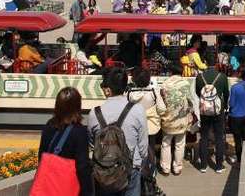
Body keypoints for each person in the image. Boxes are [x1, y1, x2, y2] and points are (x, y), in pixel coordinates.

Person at [87, 68, 148, 196]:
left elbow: (92, 144)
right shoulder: (138, 110)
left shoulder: (95, 113)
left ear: (108, 90)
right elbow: (143, 147)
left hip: (104, 171)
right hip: (131, 168)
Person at [36, 87, 93, 196]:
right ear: (77, 106)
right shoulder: (79, 132)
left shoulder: (49, 125)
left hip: (48, 188)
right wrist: (88, 192)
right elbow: (82, 167)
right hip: (69, 188)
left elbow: (41, 156)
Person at [127, 68, 166, 179]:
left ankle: (136, 170)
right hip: (151, 125)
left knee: (135, 148)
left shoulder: (130, 93)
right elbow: (161, 108)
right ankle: (150, 170)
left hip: (135, 125)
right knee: (150, 148)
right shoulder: (153, 92)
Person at [195, 60, 229, 173]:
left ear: (204, 63)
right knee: (219, 137)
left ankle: (203, 166)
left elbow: (197, 93)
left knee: (204, 137)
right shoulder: (222, 77)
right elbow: (226, 93)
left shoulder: (199, 77)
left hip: (204, 110)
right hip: (218, 110)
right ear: (216, 64)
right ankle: (219, 166)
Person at [159, 65, 194, 176]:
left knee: (166, 143)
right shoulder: (186, 83)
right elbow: (190, 101)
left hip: (168, 119)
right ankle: (177, 167)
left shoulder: (165, 84)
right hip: (182, 119)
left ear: (171, 72)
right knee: (180, 143)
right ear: (181, 72)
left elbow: (162, 101)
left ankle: (165, 168)